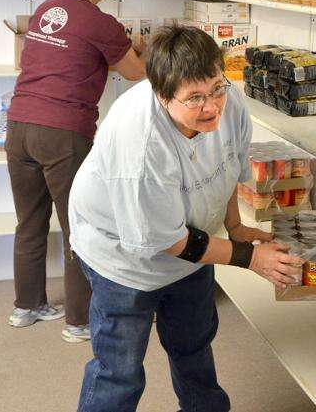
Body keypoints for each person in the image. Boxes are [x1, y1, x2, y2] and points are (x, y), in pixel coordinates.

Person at [68, 25, 303, 411]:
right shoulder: (141, 144)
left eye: (215, 89)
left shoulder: (228, 104)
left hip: (194, 247)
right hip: (122, 258)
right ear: (162, 97)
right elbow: (168, 241)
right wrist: (249, 257)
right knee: (120, 372)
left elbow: (226, 167)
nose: (211, 107)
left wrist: (235, 227)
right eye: (194, 98)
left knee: (193, 348)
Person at [5, 0, 146, 343]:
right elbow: (135, 72)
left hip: (18, 127)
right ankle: (78, 321)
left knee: (29, 222)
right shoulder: (98, 20)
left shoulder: (45, 9)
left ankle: (26, 307)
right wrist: (137, 48)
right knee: (79, 227)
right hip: (62, 132)